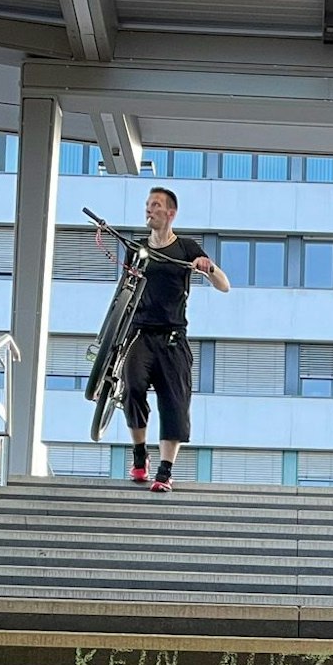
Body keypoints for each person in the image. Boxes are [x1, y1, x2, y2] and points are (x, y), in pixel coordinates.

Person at [123, 186, 230, 492]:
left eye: (155, 205)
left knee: (175, 403)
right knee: (132, 387)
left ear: (170, 213)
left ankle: (165, 470)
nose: (148, 209)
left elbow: (224, 285)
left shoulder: (185, 248)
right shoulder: (138, 248)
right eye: (146, 204)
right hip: (140, 333)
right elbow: (124, 292)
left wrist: (207, 268)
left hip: (172, 337)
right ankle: (140, 454)